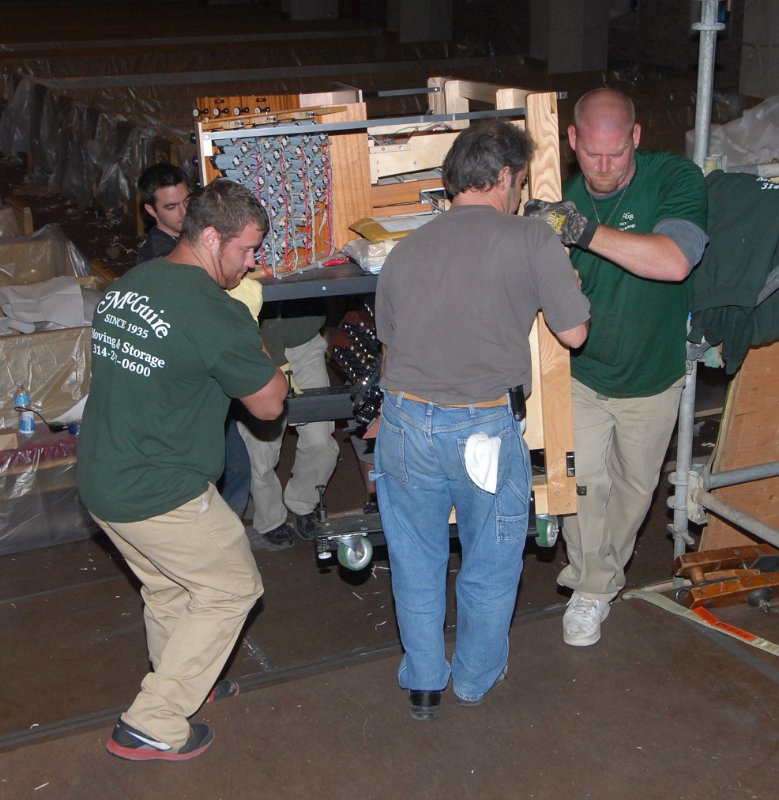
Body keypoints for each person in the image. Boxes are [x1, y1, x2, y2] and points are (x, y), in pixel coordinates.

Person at [373, 119, 590, 720]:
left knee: (415, 559)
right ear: (502, 178)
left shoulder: (405, 249)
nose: (519, 193)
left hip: (404, 424)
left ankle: (423, 680)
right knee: (490, 563)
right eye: (518, 182)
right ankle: (472, 679)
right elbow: (573, 333)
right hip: (482, 429)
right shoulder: (531, 240)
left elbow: (390, 349)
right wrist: (571, 285)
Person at [77, 179, 288, 761]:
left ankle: (187, 683)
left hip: (102, 478)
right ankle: (153, 720)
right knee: (232, 587)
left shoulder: (132, 283)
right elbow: (269, 404)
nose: (252, 264)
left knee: (172, 590)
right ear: (212, 237)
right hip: (157, 489)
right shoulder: (213, 310)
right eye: (246, 250)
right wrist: (251, 333)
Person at [524, 88, 708, 647]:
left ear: (636, 138)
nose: (603, 168)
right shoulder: (555, 190)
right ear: (572, 141)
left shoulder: (676, 179)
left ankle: (600, 574)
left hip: (653, 376)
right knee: (585, 484)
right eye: (592, 154)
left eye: (616, 154)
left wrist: (580, 231)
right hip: (579, 373)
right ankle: (591, 587)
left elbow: (674, 262)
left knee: (633, 490)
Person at [236, 303, 340, 549]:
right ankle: (270, 518)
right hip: (255, 346)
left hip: (304, 344)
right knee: (261, 449)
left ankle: (303, 502)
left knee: (321, 441)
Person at [137, 163, 191, 264]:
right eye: (171, 207)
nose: (184, 212)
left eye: (187, 201)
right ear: (151, 210)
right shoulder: (160, 259)